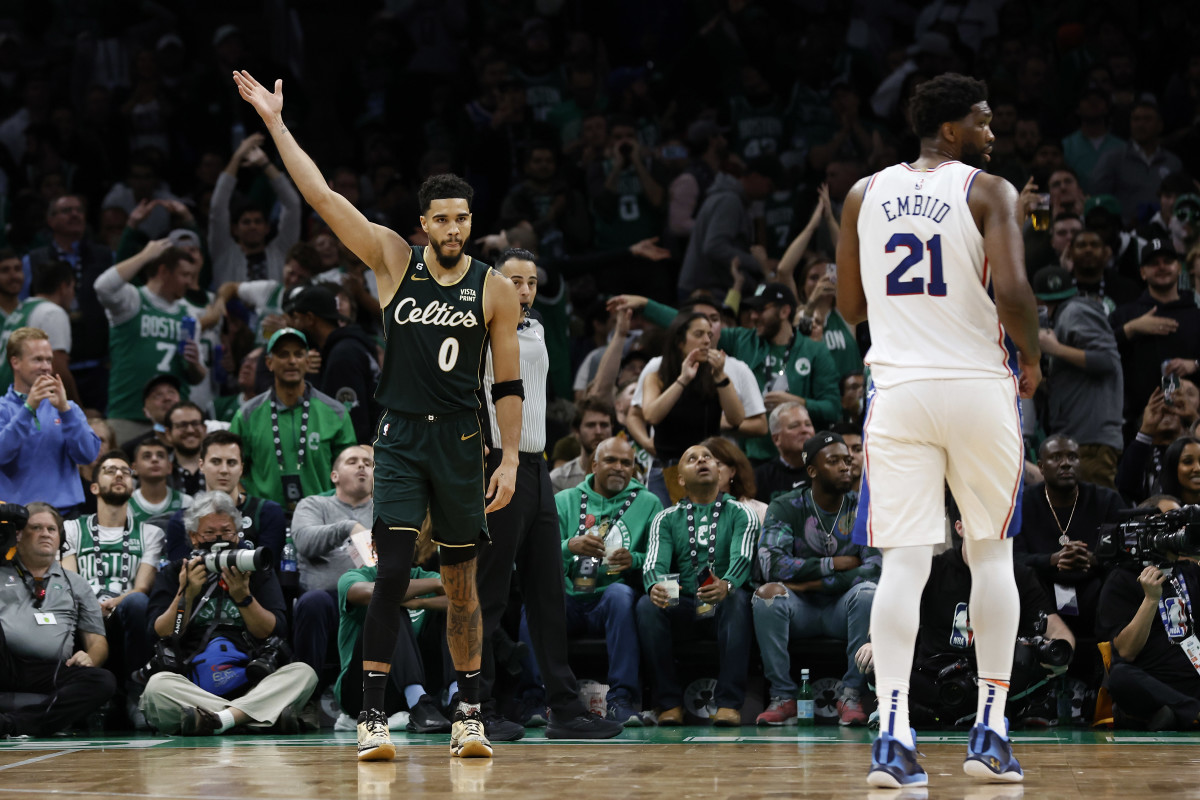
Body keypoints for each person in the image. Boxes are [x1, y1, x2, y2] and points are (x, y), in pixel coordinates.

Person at [235, 69, 524, 761]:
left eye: (462, 218)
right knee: (390, 572)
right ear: (424, 225)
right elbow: (323, 196)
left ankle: (469, 713)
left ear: (470, 223)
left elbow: (507, 385)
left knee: (460, 585)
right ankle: (370, 716)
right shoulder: (394, 259)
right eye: (442, 219)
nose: (453, 228)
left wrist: (509, 458)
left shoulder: (497, 289)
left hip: (462, 442)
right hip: (398, 438)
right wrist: (276, 124)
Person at [836, 73, 1042, 787]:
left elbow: (848, 306)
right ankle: (990, 731)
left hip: (897, 390)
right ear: (951, 130)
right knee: (991, 557)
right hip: (979, 387)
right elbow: (1013, 293)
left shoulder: (863, 193)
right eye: (984, 122)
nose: (993, 133)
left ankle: (893, 739)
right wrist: (1036, 360)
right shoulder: (989, 190)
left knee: (903, 565)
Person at [475, 248, 623, 741]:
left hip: (536, 467)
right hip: (496, 464)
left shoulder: (534, 327)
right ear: (493, 283)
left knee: (547, 593)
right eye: (514, 281)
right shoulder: (474, 331)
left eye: (532, 282)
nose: (524, 291)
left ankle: (564, 708)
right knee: (490, 595)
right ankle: (476, 707)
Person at [139, 491, 317, 735]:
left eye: (227, 532)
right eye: (209, 534)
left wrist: (243, 597)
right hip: (193, 683)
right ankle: (252, 717)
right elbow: (161, 633)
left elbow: (274, 631)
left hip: (252, 679)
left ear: (238, 533)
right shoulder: (175, 572)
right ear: (193, 537)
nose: (219, 539)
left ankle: (215, 719)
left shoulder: (255, 569)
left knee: (303, 673)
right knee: (157, 687)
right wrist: (186, 594)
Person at [530, 436, 663, 726]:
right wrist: (569, 546)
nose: (619, 467)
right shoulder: (564, 500)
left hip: (610, 602)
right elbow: (537, 553)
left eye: (626, 463)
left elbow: (659, 558)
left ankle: (621, 701)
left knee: (620, 594)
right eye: (611, 461)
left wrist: (635, 560)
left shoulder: (649, 503)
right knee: (536, 601)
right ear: (593, 465)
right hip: (568, 597)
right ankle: (537, 700)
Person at [753, 431, 879, 727]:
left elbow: (874, 569)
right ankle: (782, 696)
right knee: (767, 594)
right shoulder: (786, 505)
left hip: (842, 608)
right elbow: (771, 564)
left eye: (847, 460)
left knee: (869, 592)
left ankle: (851, 695)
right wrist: (833, 564)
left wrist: (809, 580)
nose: (845, 466)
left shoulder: (862, 506)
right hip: (800, 609)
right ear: (812, 470)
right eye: (833, 461)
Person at [637, 444, 758, 726]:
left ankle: (729, 704)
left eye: (708, 458)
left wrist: (726, 584)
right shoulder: (666, 518)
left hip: (723, 601)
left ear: (720, 472)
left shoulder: (742, 513)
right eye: (691, 459)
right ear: (680, 479)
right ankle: (668, 704)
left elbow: (743, 557)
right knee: (647, 605)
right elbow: (654, 564)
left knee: (738, 599)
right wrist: (654, 585)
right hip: (685, 601)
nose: (701, 461)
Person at [0, 502, 116, 738]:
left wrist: (89, 656)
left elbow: (98, 642)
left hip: (52, 671)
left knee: (103, 680)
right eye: (36, 527)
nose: (45, 534)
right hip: (5, 663)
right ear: (18, 535)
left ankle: (13, 725)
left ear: (60, 538)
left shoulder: (76, 583)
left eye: (51, 529)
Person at [1014, 435, 1125, 648]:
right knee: (1023, 576)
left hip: (1095, 588)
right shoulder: (1022, 504)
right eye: (1056, 457)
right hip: (1042, 588)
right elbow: (1013, 557)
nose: (1066, 463)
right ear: (1041, 467)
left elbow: (1124, 551)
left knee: (1117, 575)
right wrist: (1052, 560)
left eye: (1072, 457)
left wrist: (1094, 559)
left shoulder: (1107, 500)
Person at [230, 328, 356, 513]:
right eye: (283, 354)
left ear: (307, 361)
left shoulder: (335, 413)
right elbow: (232, 469)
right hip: (265, 519)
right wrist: (249, 508)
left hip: (323, 517)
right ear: (269, 362)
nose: (291, 361)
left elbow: (349, 472)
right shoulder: (247, 415)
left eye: (298, 354)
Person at [95, 238, 207, 445]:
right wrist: (146, 255)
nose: (190, 283)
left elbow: (197, 377)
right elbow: (103, 287)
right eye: (184, 275)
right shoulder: (133, 301)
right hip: (128, 415)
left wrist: (194, 364)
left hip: (173, 422)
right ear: (164, 271)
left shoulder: (188, 315)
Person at [1033, 266, 1124, 488]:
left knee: (1095, 514)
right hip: (1079, 437)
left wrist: (1055, 349)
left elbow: (1106, 361)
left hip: (1091, 441)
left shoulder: (1076, 311)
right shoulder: (1065, 314)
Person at [21, 195, 114, 411]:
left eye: (79, 210)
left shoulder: (104, 256)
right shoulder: (34, 259)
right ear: (50, 220)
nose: (74, 214)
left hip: (98, 364)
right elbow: (26, 307)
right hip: (50, 369)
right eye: (66, 210)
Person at [641, 312, 744, 505]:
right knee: (668, 530)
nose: (706, 340)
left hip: (704, 468)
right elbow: (651, 415)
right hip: (668, 470)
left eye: (709, 335)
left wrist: (721, 376)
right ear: (680, 342)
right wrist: (683, 379)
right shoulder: (657, 377)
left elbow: (737, 418)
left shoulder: (716, 375)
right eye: (699, 334)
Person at [290, 445, 376, 678]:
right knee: (312, 601)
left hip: (372, 598)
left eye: (368, 464)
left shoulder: (385, 511)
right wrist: (348, 528)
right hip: (327, 602)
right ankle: (306, 692)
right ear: (334, 476)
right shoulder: (314, 505)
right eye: (352, 461)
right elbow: (305, 543)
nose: (362, 465)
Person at [0, 328, 101, 510]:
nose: (46, 367)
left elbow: (88, 456)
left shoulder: (68, 408)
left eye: (49, 360)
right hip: (16, 517)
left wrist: (65, 411)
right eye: (38, 359)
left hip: (65, 515)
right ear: (15, 362)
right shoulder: (2, 408)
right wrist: (28, 409)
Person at [1109, 239, 1200, 440]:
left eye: (1167, 261)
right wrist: (1131, 328)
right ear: (1142, 272)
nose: (1161, 267)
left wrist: (1195, 364)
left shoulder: (1197, 314)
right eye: (1153, 263)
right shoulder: (1124, 315)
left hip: (1192, 424)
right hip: (1137, 426)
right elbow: (1098, 353)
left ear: (1179, 268)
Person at [161, 431, 286, 569]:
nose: (224, 470)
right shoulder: (181, 520)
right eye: (216, 462)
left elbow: (267, 571)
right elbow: (177, 575)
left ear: (241, 468)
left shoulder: (267, 512)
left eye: (231, 463)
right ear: (201, 465)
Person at [283, 283, 380, 444]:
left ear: (310, 319)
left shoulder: (343, 355)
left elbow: (351, 421)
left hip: (361, 453)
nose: (294, 324)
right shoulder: (344, 347)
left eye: (297, 318)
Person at [209, 133, 303, 285]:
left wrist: (265, 163)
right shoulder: (223, 252)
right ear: (234, 229)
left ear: (266, 228)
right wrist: (237, 157)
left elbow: (292, 205)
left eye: (258, 221)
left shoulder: (281, 252)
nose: (253, 226)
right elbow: (217, 207)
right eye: (246, 222)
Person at [0, 259, 79, 403]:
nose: (73, 294)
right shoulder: (52, 312)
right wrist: (77, 407)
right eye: (73, 287)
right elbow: (58, 368)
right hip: (20, 400)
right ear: (63, 287)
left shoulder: (21, 307)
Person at [754, 402, 817, 502]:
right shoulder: (760, 478)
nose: (805, 430)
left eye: (808, 424)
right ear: (776, 439)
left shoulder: (825, 471)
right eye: (795, 426)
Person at [549, 398, 614, 493]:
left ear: (612, 428)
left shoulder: (628, 476)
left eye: (604, 425)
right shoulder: (559, 479)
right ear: (576, 431)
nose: (598, 431)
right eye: (591, 425)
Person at [128, 438, 192, 526]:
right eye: (147, 456)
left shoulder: (186, 502)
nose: (154, 460)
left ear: (169, 467)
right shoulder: (127, 506)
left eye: (160, 456)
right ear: (134, 469)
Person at [164, 401, 208, 495]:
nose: (190, 430)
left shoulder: (221, 467)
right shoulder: (159, 470)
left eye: (195, 423)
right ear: (168, 433)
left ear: (204, 429)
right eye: (182, 425)